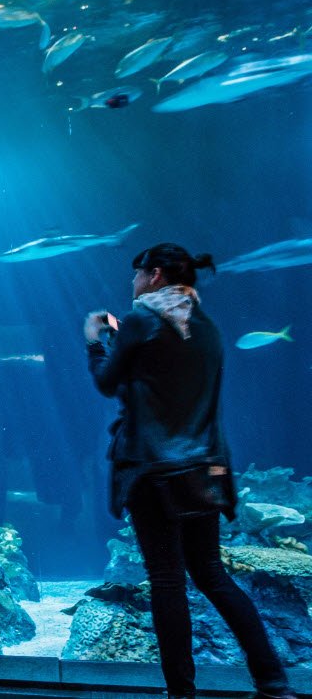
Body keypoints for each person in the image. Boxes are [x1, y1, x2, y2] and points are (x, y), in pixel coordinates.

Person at [84, 243, 296, 699]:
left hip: (154, 471)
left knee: (166, 579)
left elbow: (107, 383)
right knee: (212, 575)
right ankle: (273, 680)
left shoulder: (140, 319)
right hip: (204, 470)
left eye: (137, 273)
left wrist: (94, 341)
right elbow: (167, 376)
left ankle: (181, 692)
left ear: (155, 275)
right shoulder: (207, 326)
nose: (133, 281)